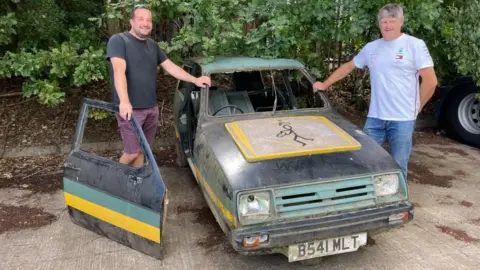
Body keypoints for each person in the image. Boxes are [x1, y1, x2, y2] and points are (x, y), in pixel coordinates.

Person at [312, 3, 438, 180]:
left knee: (398, 164)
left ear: (401, 21)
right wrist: (325, 84)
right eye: (384, 22)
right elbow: (348, 67)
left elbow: (430, 81)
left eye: (392, 21)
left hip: (402, 119)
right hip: (375, 117)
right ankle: (367, 201)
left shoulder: (414, 45)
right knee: (366, 161)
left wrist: (417, 108)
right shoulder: (372, 48)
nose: (387, 26)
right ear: (379, 24)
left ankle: (398, 203)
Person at [106, 4, 211, 168]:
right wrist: (124, 101)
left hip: (151, 108)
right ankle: (111, 180)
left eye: (148, 20)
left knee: (143, 150)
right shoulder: (119, 40)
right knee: (132, 152)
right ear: (131, 21)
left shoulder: (153, 46)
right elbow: (119, 70)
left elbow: (170, 67)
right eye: (141, 19)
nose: (145, 23)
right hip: (130, 110)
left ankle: (137, 184)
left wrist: (195, 80)